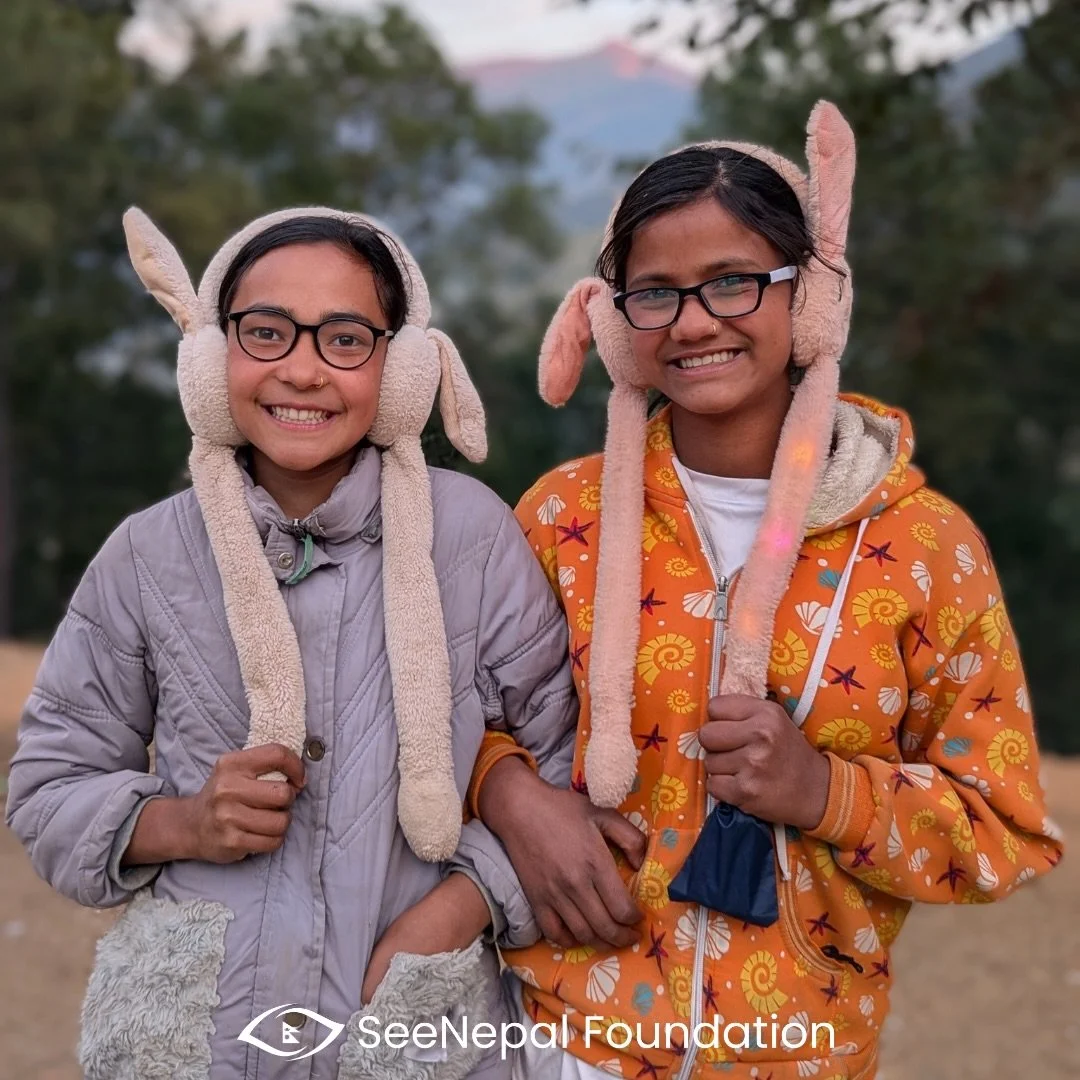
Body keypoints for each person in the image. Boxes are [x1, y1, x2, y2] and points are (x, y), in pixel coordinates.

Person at [471, 102, 1065, 1080]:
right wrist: (509, 792)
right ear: (617, 320)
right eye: (655, 293)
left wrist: (825, 792)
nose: (694, 321)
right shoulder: (559, 518)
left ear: (813, 298)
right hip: (553, 1042)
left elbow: (1006, 834)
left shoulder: (926, 545)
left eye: (734, 283)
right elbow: (443, 713)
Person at [4, 206, 579, 1080]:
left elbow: (560, 760)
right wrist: (182, 822)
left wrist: (466, 905)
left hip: (414, 1034)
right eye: (265, 332)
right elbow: (49, 785)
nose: (302, 371)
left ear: (399, 366)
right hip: (200, 1046)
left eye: (346, 339)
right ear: (212, 353)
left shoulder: (472, 539)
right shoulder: (148, 554)